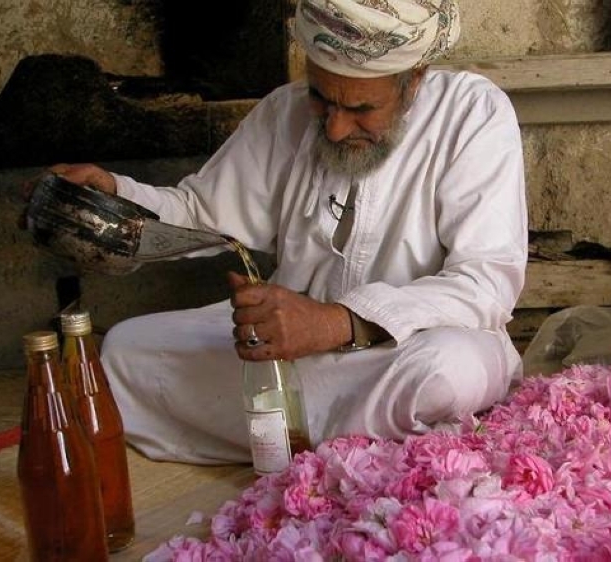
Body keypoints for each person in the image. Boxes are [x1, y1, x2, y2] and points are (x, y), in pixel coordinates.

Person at [46, 0, 528, 465]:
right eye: (321, 98)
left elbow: (485, 283)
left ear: (414, 80)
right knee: (128, 351)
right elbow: (198, 212)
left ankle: (290, 434)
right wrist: (115, 194)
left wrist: (336, 323)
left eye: (361, 108)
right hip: (293, 352)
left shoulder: (472, 113)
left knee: (448, 373)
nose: (336, 128)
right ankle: (364, 443)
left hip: (401, 351)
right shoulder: (284, 111)